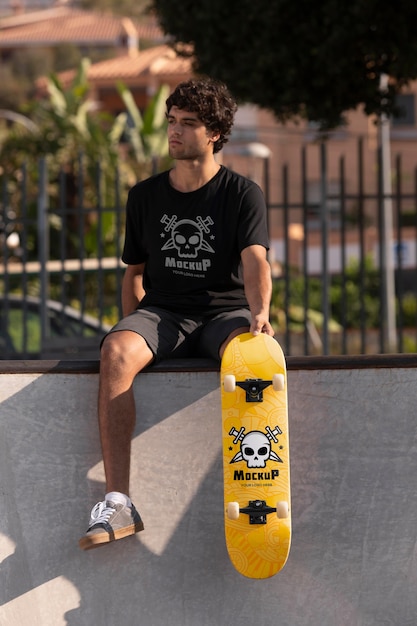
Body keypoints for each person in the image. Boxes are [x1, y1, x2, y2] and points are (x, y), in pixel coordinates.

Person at [79, 77, 274, 550]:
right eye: (172, 122)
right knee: (117, 350)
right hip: (163, 313)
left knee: (251, 355)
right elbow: (134, 275)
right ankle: (119, 503)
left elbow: (255, 261)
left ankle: (259, 492)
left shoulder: (241, 194)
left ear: (215, 135)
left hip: (222, 313)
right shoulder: (144, 197)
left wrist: (261, 314)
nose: (175, 132)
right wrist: (133, 332)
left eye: (188, 124)